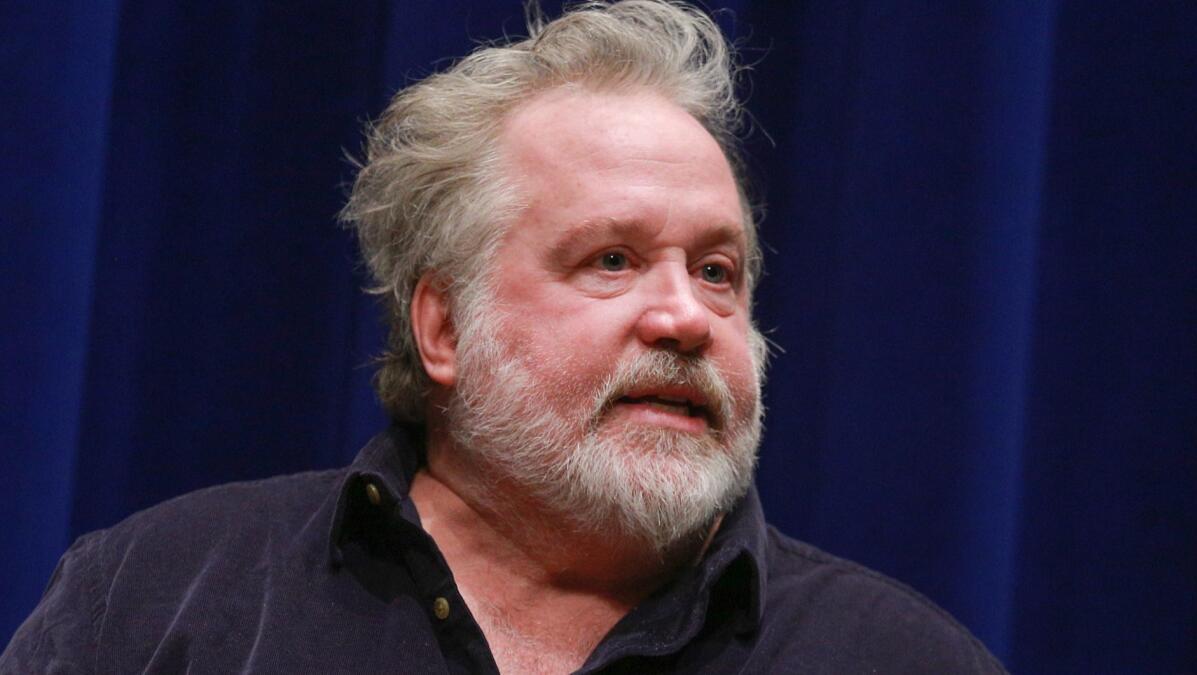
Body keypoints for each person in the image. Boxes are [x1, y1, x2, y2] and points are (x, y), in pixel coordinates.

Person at [2, 1, 1005, 672]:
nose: (685, 318)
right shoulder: (160, 598)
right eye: (610, 260)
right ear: (442, 325)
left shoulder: (898, 658)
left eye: (717, 272)